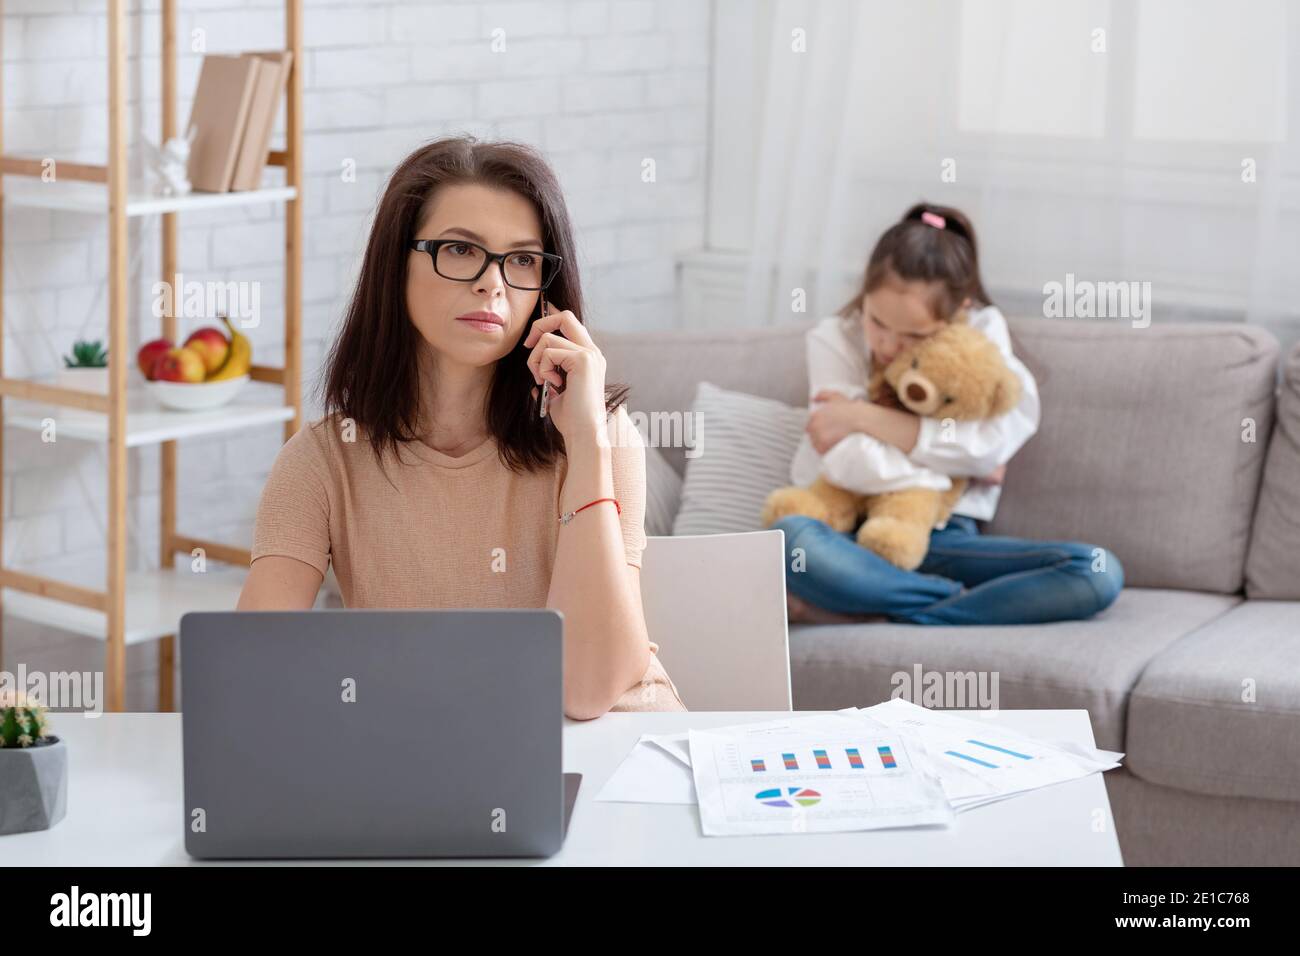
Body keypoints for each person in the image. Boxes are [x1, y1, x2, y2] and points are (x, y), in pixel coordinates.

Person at [237, 136, 686, 718]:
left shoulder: (597, 436)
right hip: (442, 758)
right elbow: (249, 677)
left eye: (522, 259)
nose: (492, 283)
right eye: (459, 250)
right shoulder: (322, 463)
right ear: (394, 265)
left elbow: (588, 690)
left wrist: (585, 445)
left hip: (616, 753)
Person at [772, 203, 1124, 626]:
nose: (887, 345)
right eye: (878, 322)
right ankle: (949, 604)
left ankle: (879, 608)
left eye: (914, 336)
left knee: (1096, 571)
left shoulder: (981, 333)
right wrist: (953, 459)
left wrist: (862, 415)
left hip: (942, 534)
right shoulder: (834, 339)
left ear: (959, 313)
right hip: (847, 535)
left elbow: (990, 448)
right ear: (864, 295)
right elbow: (845, 456)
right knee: (792, 542)